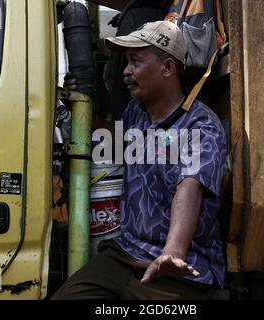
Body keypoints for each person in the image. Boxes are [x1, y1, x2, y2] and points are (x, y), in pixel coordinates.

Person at [52, 20, 227, 300]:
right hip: (125, 254)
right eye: (126, 62)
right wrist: (77, 110)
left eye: (135, 61)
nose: (126, 72)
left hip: (177, 269)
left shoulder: (201, 125)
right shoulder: (137, 111)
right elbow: (117, 141)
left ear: (167, 68)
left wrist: (173, 252)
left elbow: (190, 186)